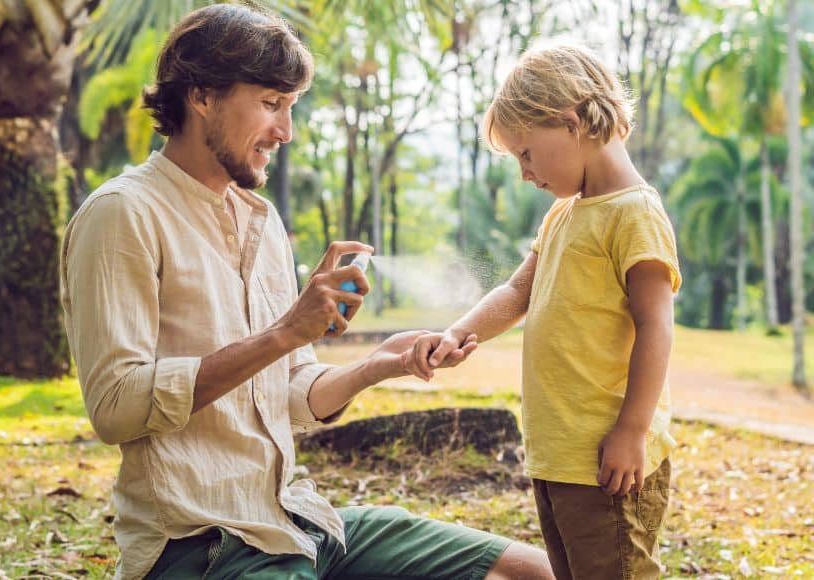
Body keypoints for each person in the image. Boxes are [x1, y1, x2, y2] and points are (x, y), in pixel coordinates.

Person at [59, 5, 553, 579]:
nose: (285, 132)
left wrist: (375, 366)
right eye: (270, 104)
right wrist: (283, 334)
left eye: (289, 108)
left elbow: (290, 393)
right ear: (201, 97)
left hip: (295, 520)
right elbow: (116, 409)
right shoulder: (123, 215)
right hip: (199, 543)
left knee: (525, 571)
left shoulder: (262, 222)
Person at [413, 44, 682, 579]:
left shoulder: (635, 214)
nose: (525, 174)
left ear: (571, 123)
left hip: (609, 460)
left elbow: (657, 327)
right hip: (560, 456)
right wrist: (459, 332)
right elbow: (517, 292)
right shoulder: (565, 213)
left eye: (527, 153)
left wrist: (632, 429)